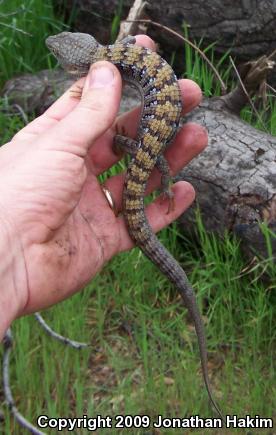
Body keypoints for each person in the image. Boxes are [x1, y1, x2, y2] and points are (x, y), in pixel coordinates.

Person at [0, 35, 207, 341]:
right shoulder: (119, 51)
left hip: (150, 138)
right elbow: (134, 41)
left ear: (80, 67)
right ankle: (144, 161)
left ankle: (138, 156)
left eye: (58, 50)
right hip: (155, 132)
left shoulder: (108, 65)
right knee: (140, 155)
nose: (54, 45)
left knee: (138, 153)